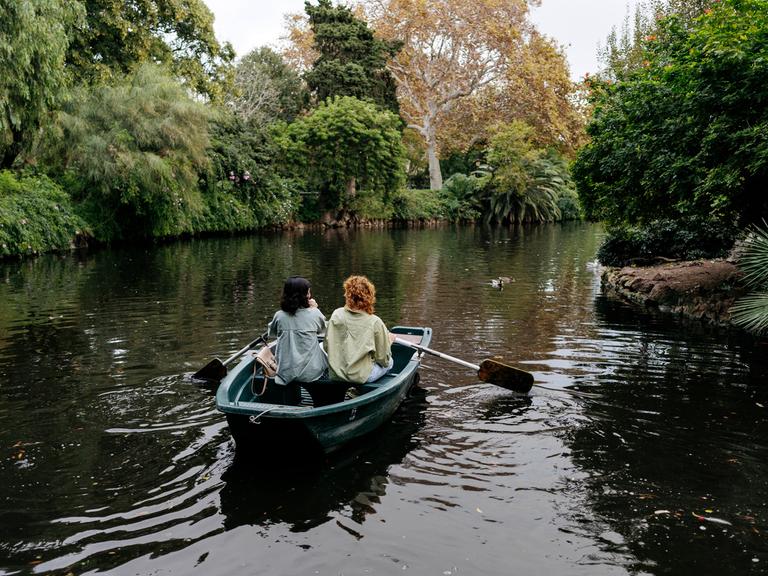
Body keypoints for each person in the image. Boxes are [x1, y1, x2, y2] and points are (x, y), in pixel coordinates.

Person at [324, 275, 395, 384]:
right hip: (360, 378)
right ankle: (363, 390)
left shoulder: (336, 314)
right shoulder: (375, 322)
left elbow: (326, 346)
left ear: (347, 295)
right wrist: (389, 341)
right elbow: (383, 359)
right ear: (370, 297)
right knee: (390, 362)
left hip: (335, 375)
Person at [267, 276, 327, 385]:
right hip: (311, 374)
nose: (310, 296)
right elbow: (323, 331)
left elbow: (272, 333)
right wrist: (315, 309)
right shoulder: (315, 313)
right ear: (305, 296)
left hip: (285, 374)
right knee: (323, 345)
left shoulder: (279, 316)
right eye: (308, 293)